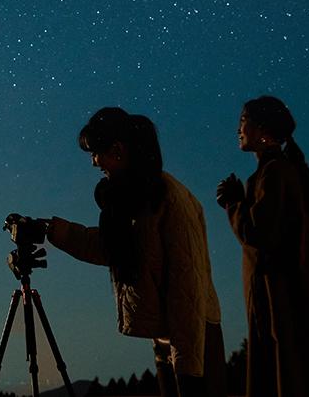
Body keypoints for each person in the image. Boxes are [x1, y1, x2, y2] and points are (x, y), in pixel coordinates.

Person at [46, 107, 227, 397]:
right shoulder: (135, 198)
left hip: (194, 342)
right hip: (169, 340)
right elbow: (112, 248)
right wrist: (57, 231)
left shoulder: (167, 197)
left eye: (96, 152)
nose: (94, 162)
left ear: (118, 150)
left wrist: (188, 369)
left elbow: (187, 286)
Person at [216, 96, 309, 397]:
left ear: (261, 129)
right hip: (282, 300)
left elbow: (257, 233)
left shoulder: (274, 173)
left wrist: (233, 203)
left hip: (277, 303)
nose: (238, 128)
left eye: (242, 120)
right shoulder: (278, 172)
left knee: (282, 375)